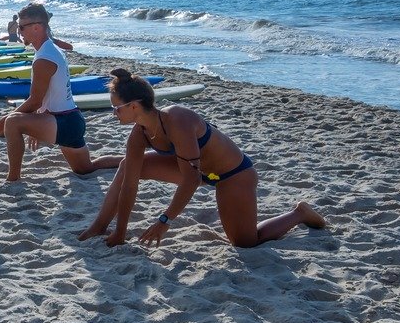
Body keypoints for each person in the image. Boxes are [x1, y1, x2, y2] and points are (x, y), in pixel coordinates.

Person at [77, 70, 326, 248]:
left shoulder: (177, 119)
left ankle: (299, 213)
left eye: (116, 108)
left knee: (246, 242)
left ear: (134, 105)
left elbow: (191, 179)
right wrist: (120, 233)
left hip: (232, 174)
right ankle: (100, 225)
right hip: (200, 172)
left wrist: (164, 221)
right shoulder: (139, 134)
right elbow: (129, 184)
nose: (113, 114)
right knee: (127, 167)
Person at [0, 5, 113, 182]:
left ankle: (13, 179)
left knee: (12, 122)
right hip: (71, 120)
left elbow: (35, 101)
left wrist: (2, 122)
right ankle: (135, 161)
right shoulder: (51, 49)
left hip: (62, 122)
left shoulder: (44, 57)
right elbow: (49, 95)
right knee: (86, 169)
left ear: (37, 27)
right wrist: (36, 123)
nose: (19, 32)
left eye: (21, 27)